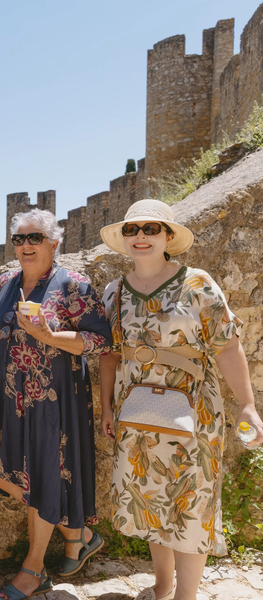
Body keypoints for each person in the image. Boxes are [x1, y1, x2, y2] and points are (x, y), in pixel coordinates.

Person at [98, 199, 263, 600]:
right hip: (136, 413)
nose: (141, 236)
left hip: (194, 411)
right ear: (124, 238)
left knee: (191, 505)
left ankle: (185, 597)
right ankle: (162, 587)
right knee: (150, 503)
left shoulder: (198, 284)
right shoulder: (114, 292)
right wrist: (106, 407)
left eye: (151, 229)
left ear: (168, 237)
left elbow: (227, 347)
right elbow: (110, 355)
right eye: (132, 229)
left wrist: (247, 405)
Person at [0, 209, 112, 600]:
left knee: (43, 473)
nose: (26, 246)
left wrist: (50, 335)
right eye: (19, 239)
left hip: (52, 400)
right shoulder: (3, 282)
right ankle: (76, 532)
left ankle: (34, 570)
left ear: (54, 242)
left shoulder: (73, 286)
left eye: (35, 238)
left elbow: (101, 341)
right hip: (3, 400)